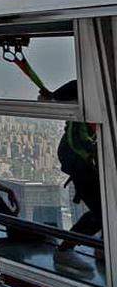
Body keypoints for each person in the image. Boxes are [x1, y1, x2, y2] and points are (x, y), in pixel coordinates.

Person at [45, 81, 103, 261]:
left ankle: (70, 247)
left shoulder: (92, 90)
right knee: (102, 213)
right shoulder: (90, 90)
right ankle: (69, 248)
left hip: (87, 169)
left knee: (101, 213)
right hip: (84, 169)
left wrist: (51, 95)